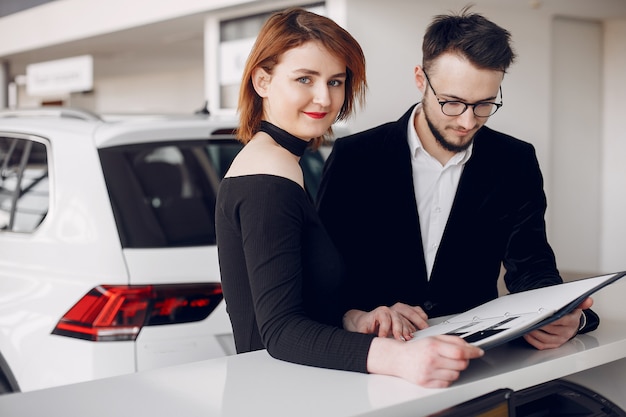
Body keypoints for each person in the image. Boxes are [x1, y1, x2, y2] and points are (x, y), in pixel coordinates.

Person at [215, 7, 483, 388]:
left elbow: (296, 303)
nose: (324, 98)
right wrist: (398, 358)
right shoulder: (266, 178)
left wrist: (355, 318)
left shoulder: (283, 162)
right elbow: (278, 331)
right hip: (277, 395)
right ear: (262, 80)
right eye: (304, 78)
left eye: (336, 81)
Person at [316, 7, 599, 351]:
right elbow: (321, 271)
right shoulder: (355, 157)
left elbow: (531, 263)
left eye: (484, 104)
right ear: (421, 79)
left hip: (475, 358)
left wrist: (565, 313)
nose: (467, 121)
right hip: (371, 354)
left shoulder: (515, 161)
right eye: (452, 103)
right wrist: (354, 314)